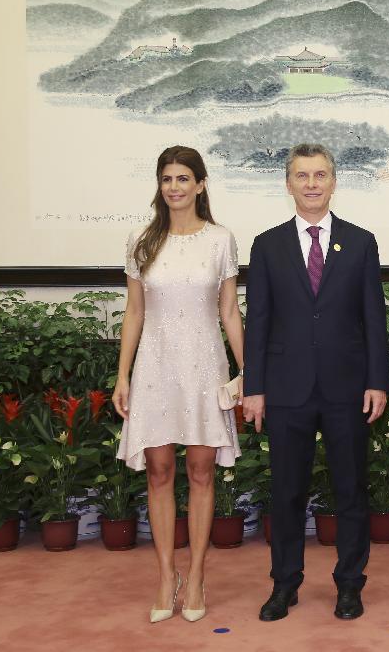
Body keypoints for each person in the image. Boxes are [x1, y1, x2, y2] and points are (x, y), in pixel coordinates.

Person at [242, 143, 389, 622]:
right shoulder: (267, 245)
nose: (311, 183)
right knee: (286, 493)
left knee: (351, 491)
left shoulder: (361, 241)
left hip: (348, 387)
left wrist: (376, 381)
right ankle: (284, 584)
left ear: (333, 182)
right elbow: (258, 322)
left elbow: (373, 318)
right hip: (285, 389)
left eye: (320, 175)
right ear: (288, 184)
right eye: (302, 175)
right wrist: (254, 388)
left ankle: (350, 585)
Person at [113, 145, 244, 624]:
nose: (175, 187)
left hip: (205, 365)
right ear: (159, 185)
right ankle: (166, 574)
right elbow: (134, 312)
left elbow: (229, 311)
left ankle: (198, 573)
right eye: (167, 179)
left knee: (202, 470)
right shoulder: (140, 241)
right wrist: (122, 375)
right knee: (160, 469)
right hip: (155, 367)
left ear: (201, 184)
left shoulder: (221, 240)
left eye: (184, 178)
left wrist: (247, 372)